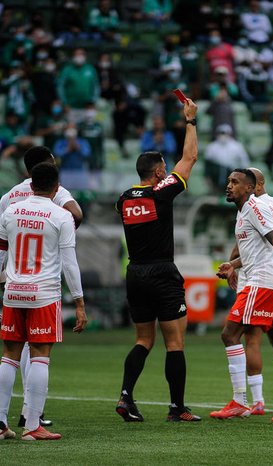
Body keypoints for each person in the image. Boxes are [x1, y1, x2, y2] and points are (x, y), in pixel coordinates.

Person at [114, 98, 201, 423]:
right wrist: (190, 121)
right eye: (164, 167)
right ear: (159, 171)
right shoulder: (160, 192)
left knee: (143, 339)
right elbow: (190, 157)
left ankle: (126, 396)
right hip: (162, 271)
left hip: (135, 273)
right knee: (174, 342)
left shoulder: (124, 199)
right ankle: (177, 408)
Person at [0, 162, 87, 441]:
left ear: (30, 184)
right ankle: (32, 426)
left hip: (14, 292)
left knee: (9, 357)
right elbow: (70, 263)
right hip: (43, 295)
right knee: (40, 357)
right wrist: (79, 302)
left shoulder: (11, 210)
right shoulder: (61, 216)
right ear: (57, 188)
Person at [210, 169, 273, 422]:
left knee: (229, 334)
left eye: (235, 182)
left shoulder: (254, 208)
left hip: (261, 283)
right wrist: (233, 265)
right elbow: (256, 251)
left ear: (251, 188)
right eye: (228, 181)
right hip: (267, 280)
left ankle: (240, 401)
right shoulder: (243, 212)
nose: (229, 186)